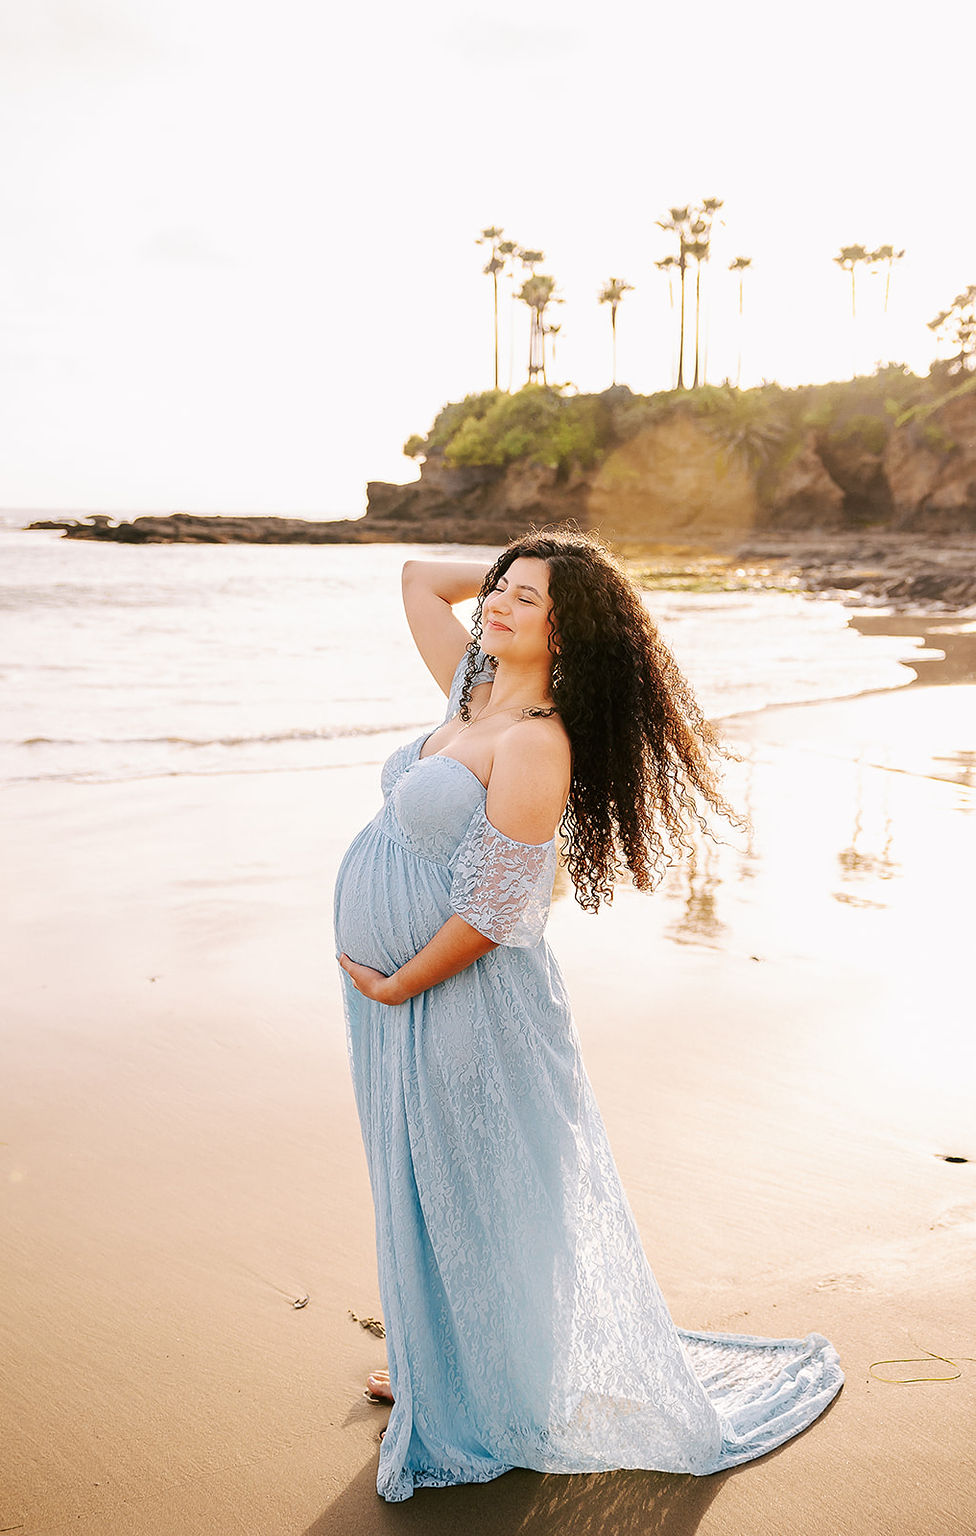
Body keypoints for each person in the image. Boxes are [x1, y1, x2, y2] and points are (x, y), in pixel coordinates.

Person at [333, 528, 842, 1504]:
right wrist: (542, 562)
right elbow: (414, 578)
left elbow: (490, 909)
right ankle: (445, 1362)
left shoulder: (535, 739)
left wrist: (399, 984)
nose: (497, 604)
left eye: (527, 600)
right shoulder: (470, 696)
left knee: (471, 1182)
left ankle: (481, 1382)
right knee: (418, 1169)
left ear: (569, 636)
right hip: (399, 1001)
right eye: (501, 590)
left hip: (461, 999)